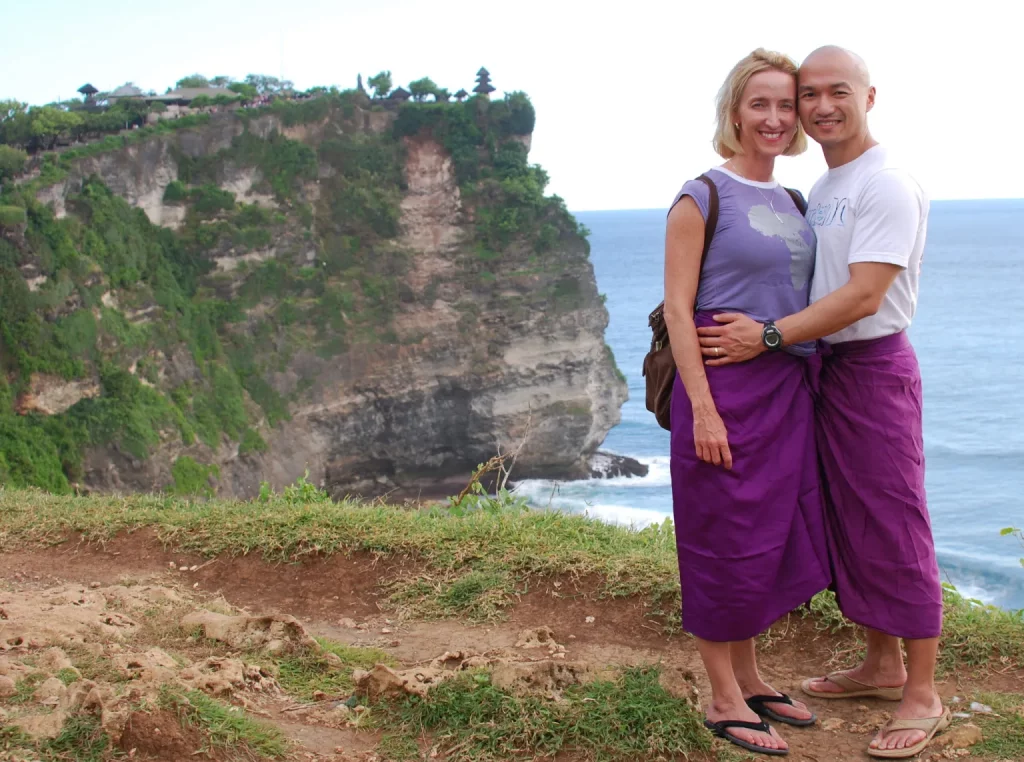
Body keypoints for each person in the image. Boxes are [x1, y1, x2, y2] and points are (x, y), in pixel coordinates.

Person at [695, 45, 949, 759]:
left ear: (870, 97)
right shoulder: (828, 182)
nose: (820, 106)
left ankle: (922, 690)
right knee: (848, 518)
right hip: (823, 370)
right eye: (809, 94)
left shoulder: (888, 182)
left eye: (838, 91)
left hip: (870, 366)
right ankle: (880, 663)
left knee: (895, 518)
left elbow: (865, 294)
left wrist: (769, 336)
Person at [663, 48, 831, 757]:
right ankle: (720, 694)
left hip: (781, 391)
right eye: (759, 104)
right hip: (721, 391)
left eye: (785, 106)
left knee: (766, 538)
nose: (774, 118)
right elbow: (677, 310)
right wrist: (700, 407)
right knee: (719, 538)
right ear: (734, 112)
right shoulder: (701, 195)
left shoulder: (795, 202)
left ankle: (753, 675)